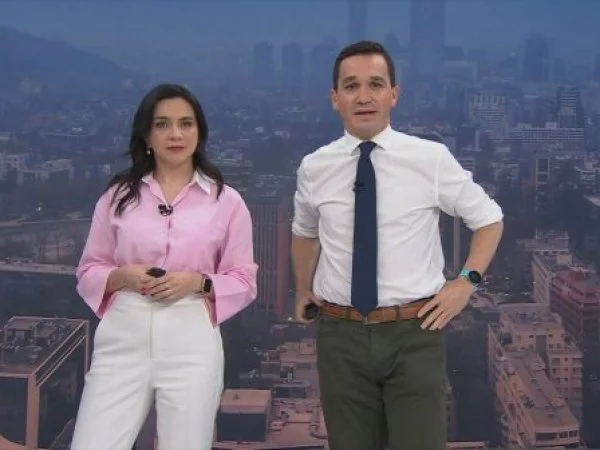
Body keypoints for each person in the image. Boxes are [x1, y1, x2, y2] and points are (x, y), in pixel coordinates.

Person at [291, 41, 504, 450]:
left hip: (414, 334)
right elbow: (304, 232)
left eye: (375, 84)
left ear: (394, 94)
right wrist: (302, 289)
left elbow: (489, 220)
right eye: (351, 86)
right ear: (335, 99)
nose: (364, 96)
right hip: (340, 336)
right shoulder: (314, 167)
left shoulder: (429, 159)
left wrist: (466, 283)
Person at [70, 83, 258, 450]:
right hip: (123, 335)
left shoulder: (227, 201)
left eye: (186, 124)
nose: (176, 134)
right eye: (163, 124)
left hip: (191, 338)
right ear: (146, 135)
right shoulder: (117, 197)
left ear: (199, 132)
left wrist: (197, 283)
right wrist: (122, 276)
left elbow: (244, 279)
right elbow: (89, 269)